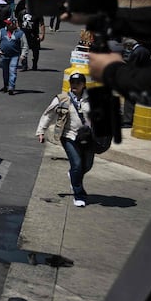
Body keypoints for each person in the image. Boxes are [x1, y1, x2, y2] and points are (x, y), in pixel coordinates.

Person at [36, 72, 93, 207]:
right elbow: (48, 115)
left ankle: (73, 175)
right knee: (77, 164)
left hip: (88, 137)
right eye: (72, 83)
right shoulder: (62, 99)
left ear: (84, 85)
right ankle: (79, 195)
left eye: (78, 83)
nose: (74, 85)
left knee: (87, 165)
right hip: (68, 136)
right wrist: (41, 131)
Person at [0, 18, 23, 94]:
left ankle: (11, 87)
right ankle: (6, 85)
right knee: (5, 71)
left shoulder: (20, 33)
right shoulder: (2, 31)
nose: (7, 24)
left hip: (14, 55)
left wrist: (23, 55)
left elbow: (25, 45)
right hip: (4, 55)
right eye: (6, 23)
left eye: (9, 23)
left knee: (13, 70)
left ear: (13, 24)